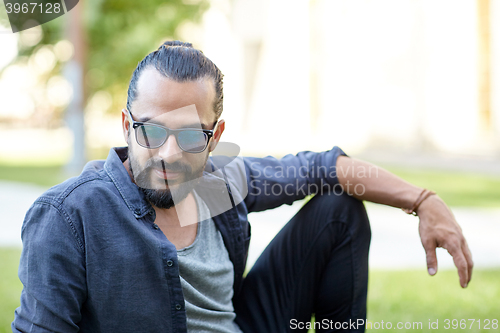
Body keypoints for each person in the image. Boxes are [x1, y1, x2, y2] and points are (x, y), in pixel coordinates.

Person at [12, 41, 473, 333]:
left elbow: (329, 167)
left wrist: (424, 201)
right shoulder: (71, 217)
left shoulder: (219, 183)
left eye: (190, 136)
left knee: (339, 209)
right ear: (126, 125)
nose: (169, 153)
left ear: (215, 137)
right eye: (151, 131)